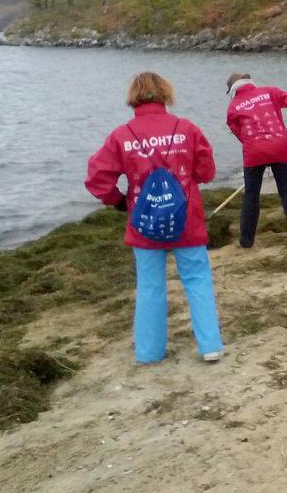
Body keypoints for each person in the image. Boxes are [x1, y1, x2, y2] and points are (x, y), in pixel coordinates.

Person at [85, 72, 223, 365]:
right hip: (186, 218)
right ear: (165, 94)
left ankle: (149, 352)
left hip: (144, 222)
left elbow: (97, 178)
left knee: (150, 286)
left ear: (133, 96)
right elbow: (206, 172)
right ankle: (210, 345)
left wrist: (120, 201)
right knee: (197, 279)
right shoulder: (187, 128)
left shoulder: (122, 135)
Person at [226, 72, 287, 248]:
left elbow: (236, 129)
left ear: (232, 89)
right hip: (279, 146)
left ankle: (246, 241)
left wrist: (252, 144)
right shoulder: (270, 91)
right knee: (286, 191)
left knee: (251, 196)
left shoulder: (234, 106)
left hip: (254, 152)